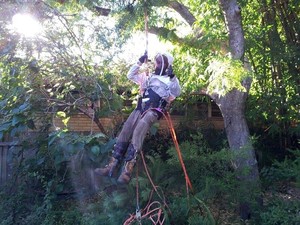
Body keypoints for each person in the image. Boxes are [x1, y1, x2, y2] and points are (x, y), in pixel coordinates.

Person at [95, 52, 181, 184]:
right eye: (156, 62)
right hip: (140, 108)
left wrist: (173, 77)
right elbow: (130, 75)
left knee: (138, 130)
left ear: (165, 65)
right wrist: (139, 63)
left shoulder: (170, 80)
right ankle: (111, 166)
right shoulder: (148, 77)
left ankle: (127, 171)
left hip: (154, 111)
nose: (155, 64)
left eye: (158, 62)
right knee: (125, 131)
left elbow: (176, 92)